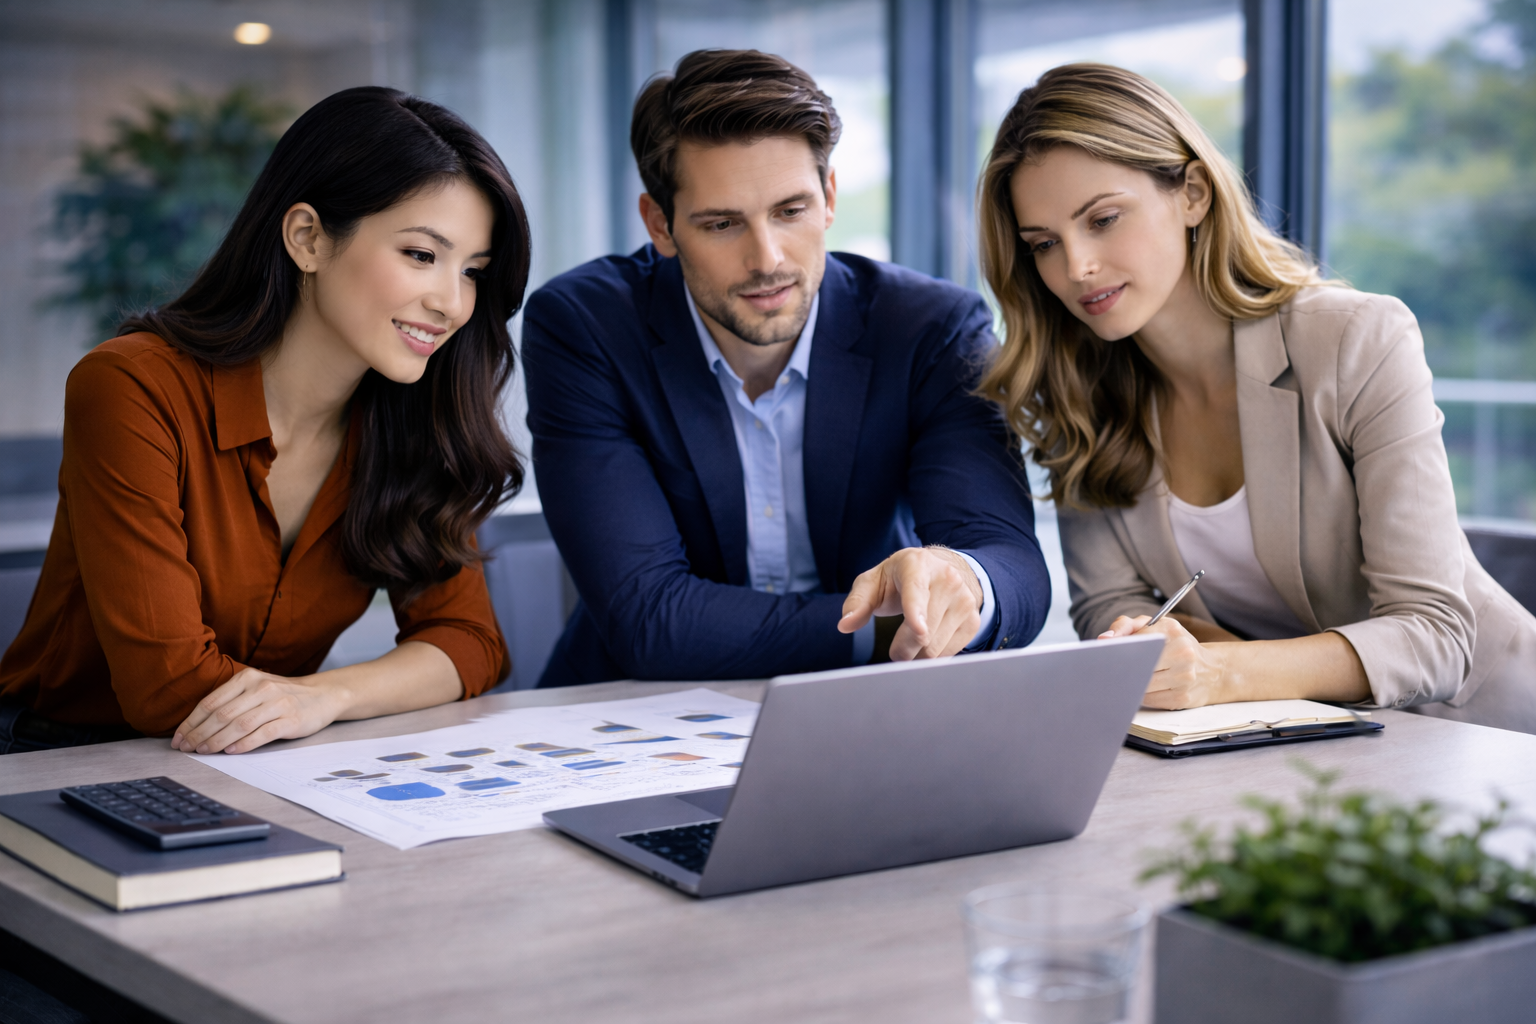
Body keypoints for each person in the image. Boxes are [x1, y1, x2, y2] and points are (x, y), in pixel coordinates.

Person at [976, 63, 1536, 732]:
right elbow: (1110, 611)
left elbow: (1435, 636)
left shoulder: (1357, 339)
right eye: (1044, 245)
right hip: (1279, 744)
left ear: (1192, 193)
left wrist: (1221, 673)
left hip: (1480, 740)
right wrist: (1210, 672)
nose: (1076, 268)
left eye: (1103, 219)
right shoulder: (1077, 397)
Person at [0, 87, 531, 755]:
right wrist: (315, 699)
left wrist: (327, 694)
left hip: (265, 758)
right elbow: (168, 689)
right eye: (421, 255)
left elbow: (470, 643)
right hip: (59, 761)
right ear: (307, 238)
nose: (452, 304)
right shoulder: (133, 388)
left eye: (474, 272)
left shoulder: (415, 420)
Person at [523, 49, 1050, 686]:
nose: (766, 258)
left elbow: (1011, 569)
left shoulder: (930, 329)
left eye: (790, 211)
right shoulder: (584, 326)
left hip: (869, 719)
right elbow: (651, 620)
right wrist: (896, 627)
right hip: (635, 717)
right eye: (722, 224)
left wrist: (962, 581)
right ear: (660, 225)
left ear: (829, 197)